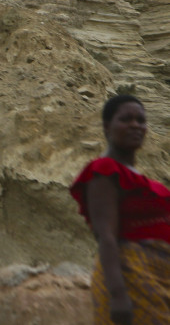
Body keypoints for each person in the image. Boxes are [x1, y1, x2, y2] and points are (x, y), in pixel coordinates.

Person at [70, 95, 170, 324]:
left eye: (141, 120)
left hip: (160, 280)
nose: (135, 125)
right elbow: (105, 234)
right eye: (126, 119)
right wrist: (118, 294)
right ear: (107, 127)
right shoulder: (104, 170)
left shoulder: (142, 179)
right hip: (131, 278)